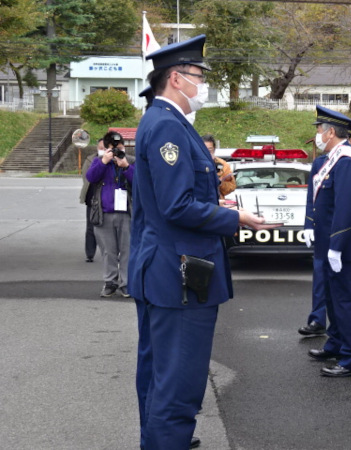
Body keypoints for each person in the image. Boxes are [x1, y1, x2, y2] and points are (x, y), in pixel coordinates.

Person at [129, 34, 272, 449]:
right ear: (176, 78)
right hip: (179, 273)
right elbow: (177, 206)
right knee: (178, 379)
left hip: (171, 269)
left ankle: (161, 439)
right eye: (198, 76)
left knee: (161, 374)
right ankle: (166, 440)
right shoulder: (167, 127)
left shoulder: (165, 123)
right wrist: (233, 217)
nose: (203, 84)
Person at [307, 105, 351, 378]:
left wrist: (337, 246)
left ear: (330, 132)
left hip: (343, 250)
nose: (317, 135)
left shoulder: (346, 162)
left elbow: (346, 207)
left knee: (347, 303)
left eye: (319, 130)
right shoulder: (333, 160)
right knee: (333, 300)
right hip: (329, 247)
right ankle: (337, 343)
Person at [86, 131, 135, 298]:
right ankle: (110, 282)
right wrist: (103, 161)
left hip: (127, 213)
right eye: (113, 149)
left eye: (120, 148)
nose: (117, 153)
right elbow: (90, 177)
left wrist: (126, 167)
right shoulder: (98, 162)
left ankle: (127, 283)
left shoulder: (131, 161)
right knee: (108, 251)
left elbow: (140, 183)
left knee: (127, 249)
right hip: (104, 213)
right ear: (106, 149)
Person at [298, 151, 329, 337]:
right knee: (320, 277)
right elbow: (312, 195)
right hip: (322, 230)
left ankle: (341, 329)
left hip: (344, 231)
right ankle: (318, 319)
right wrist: (309, 223)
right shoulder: (320, 162)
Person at [79, 138, 104, 262]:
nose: (102, 150)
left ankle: (113, 253)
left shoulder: (114, 159)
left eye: (105, 148)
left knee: (111, 228)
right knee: (90, 227)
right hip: (92, 198)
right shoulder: (90, 159)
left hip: (107, 199)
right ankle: (90, 253)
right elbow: (86, 177)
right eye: (100, 148)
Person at [201, 134, 236, 198]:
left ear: (214, 150)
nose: (206, 153)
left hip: (217, 202)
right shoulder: (192, 163)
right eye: (203, 150)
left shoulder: (222, 165)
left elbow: (231, 187)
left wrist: (220, 182)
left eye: (209, 150)